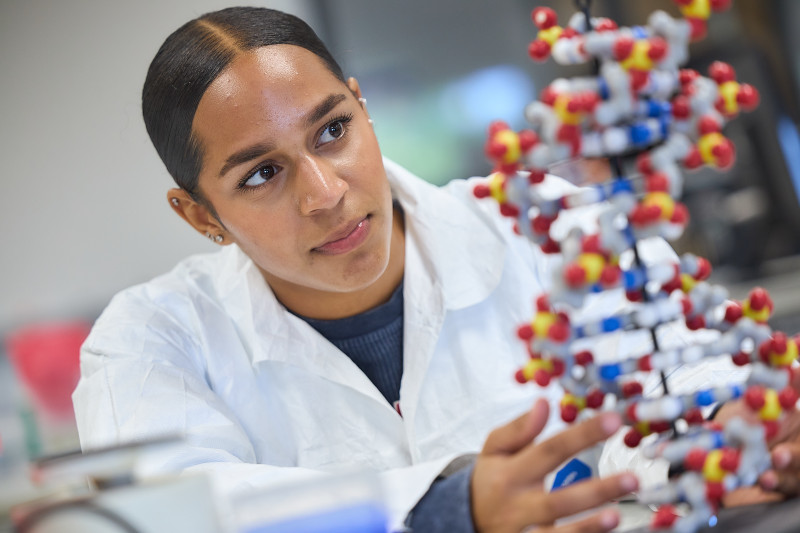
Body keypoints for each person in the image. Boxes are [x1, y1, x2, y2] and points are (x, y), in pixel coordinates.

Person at [72, 6, 800, 532]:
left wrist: (725, 437)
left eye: (333, 130)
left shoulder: (547, 221)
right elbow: (169, 512)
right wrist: (446, 510)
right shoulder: (150, 342)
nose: (325, 193)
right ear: (200, 215)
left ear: (363, 106)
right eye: (262, 174)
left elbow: (676, 382)